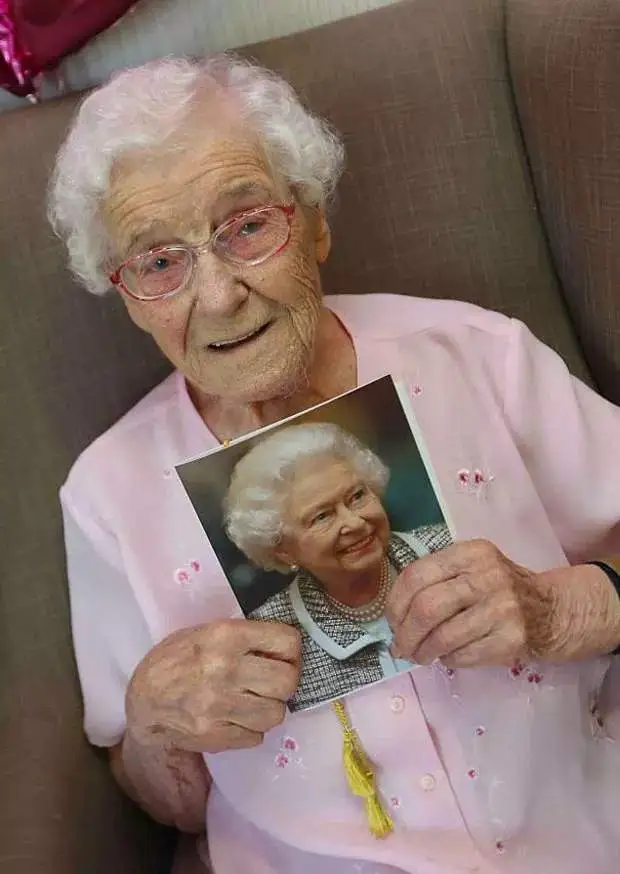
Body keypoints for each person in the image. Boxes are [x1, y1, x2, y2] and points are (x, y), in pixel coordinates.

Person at [49, 52, 620, 874]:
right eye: (159, 261)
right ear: (129, 294)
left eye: (246, 226)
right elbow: (167, 803)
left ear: (313, 222)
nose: (216, 295)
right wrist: (154, 727)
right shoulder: (107, 495)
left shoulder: (475, 356)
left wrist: (555, 610)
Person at [224, 421, 452, 711]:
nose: (355, 523)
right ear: (282, 550)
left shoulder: (451, 548)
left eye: (357, 497)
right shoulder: (268, 640)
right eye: (322, 517)